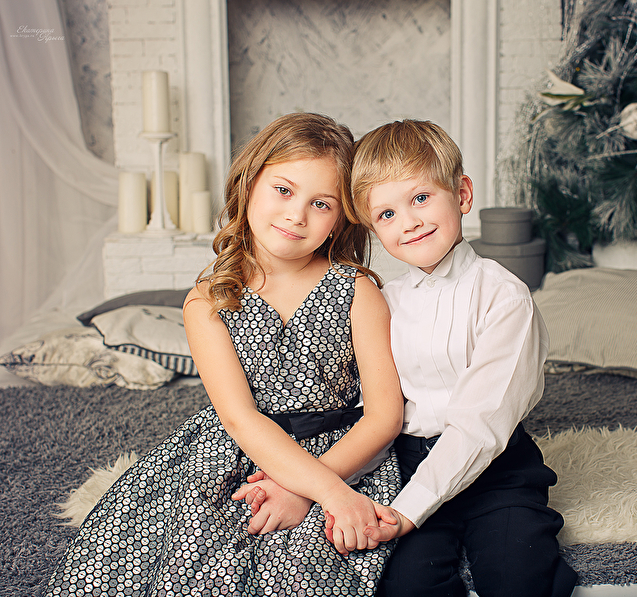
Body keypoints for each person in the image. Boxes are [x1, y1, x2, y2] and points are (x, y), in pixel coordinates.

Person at [44, 112, 404, 597]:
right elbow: (239, 418)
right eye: (283, 190)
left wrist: (314, 489)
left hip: (343, 451)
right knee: (187, 556)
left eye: (321, 204)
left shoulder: (357, 291)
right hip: (240, 447)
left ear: (341, 219)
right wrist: (325, 491)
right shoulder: (208, 300)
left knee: (310, 567)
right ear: (249, 184)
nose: (297, 215)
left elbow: (384, 416)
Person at [336, 119, 577, 597]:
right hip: (406, 463)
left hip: (498, 468)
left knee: (519, 575)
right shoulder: (383, 302)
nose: (409, 221)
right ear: (372, 228)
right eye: (387, 214)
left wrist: (409, 511)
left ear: (462, 195)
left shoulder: (504, 296)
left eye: (421, 198)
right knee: (403, 585)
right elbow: (370, 404)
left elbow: (482, 423)